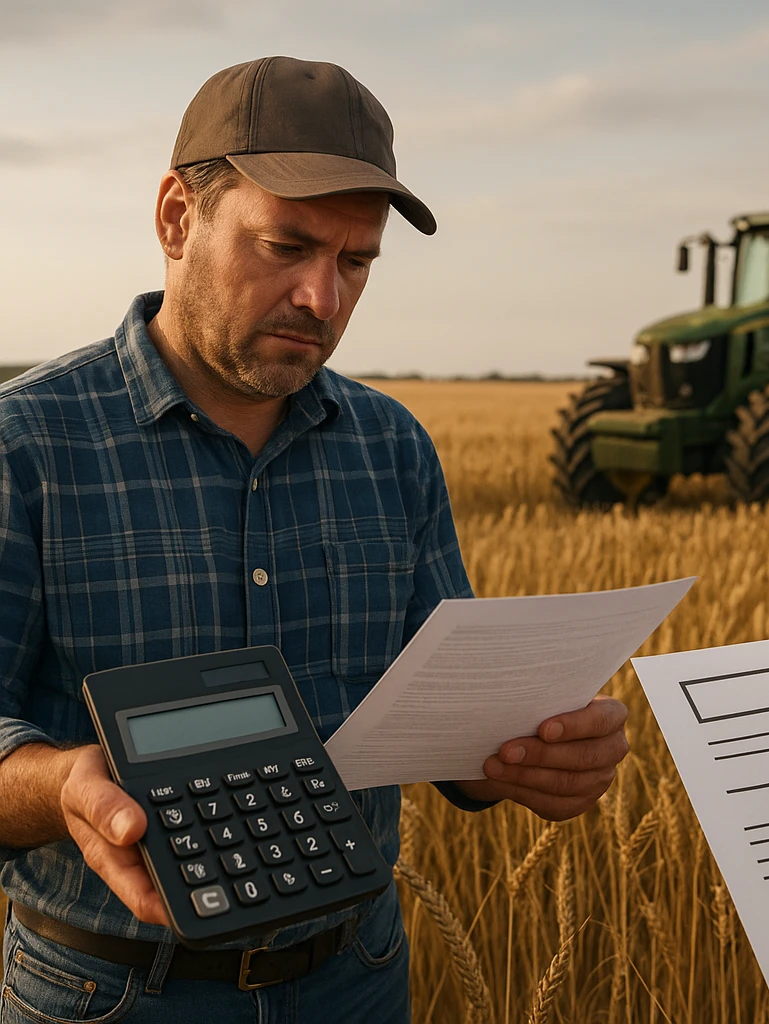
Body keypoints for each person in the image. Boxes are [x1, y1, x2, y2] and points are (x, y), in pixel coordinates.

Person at [0, 56, 629, 1022]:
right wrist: (63, 785)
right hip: (114, 990)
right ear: (177, 217)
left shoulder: (393, 447)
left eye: (356, 262)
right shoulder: (26, 445)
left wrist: (526, 749)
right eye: (286, 246)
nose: (323, 299)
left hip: (359, 975)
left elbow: (441, 710)